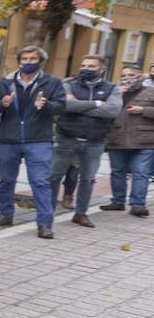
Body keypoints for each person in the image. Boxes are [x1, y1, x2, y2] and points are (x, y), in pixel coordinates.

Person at [0, 45, 66, 238]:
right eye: (25, 59)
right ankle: (5, 215)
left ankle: (45, 224)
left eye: (33, 59)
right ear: (18, 62)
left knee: (40, 182)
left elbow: (61, 106)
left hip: (38, 140)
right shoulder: (5, 83)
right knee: (6, 181)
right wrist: (2, 104)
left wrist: (46, 105)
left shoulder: (52, 82)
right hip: (8, 139)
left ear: (40, 61)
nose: (28, 63)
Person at [49, 55, 119, 228]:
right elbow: (66, 106)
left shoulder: (112, 88)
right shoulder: (68, 84)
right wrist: (96, 103)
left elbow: (112, 111)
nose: (85, 68)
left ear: (102, 69)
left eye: (91, 66)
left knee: (87, 179)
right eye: (83, 65)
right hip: (66, 137)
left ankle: (80, 213)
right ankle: (47, 212)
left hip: (94, 141)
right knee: (54, 176)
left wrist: (79, 106)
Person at [103, 63, 154, 217]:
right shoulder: (113, 92)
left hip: (144, 140)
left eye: (131, 75)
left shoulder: (151, 92)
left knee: (140, 173)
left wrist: (144, 110)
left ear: (140, 76)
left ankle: (138, 205)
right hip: (117, 138)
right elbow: (103, 110)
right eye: (123, 76)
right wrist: (116, 96)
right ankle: (117, 201)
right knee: (117, 172)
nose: (127, 78)